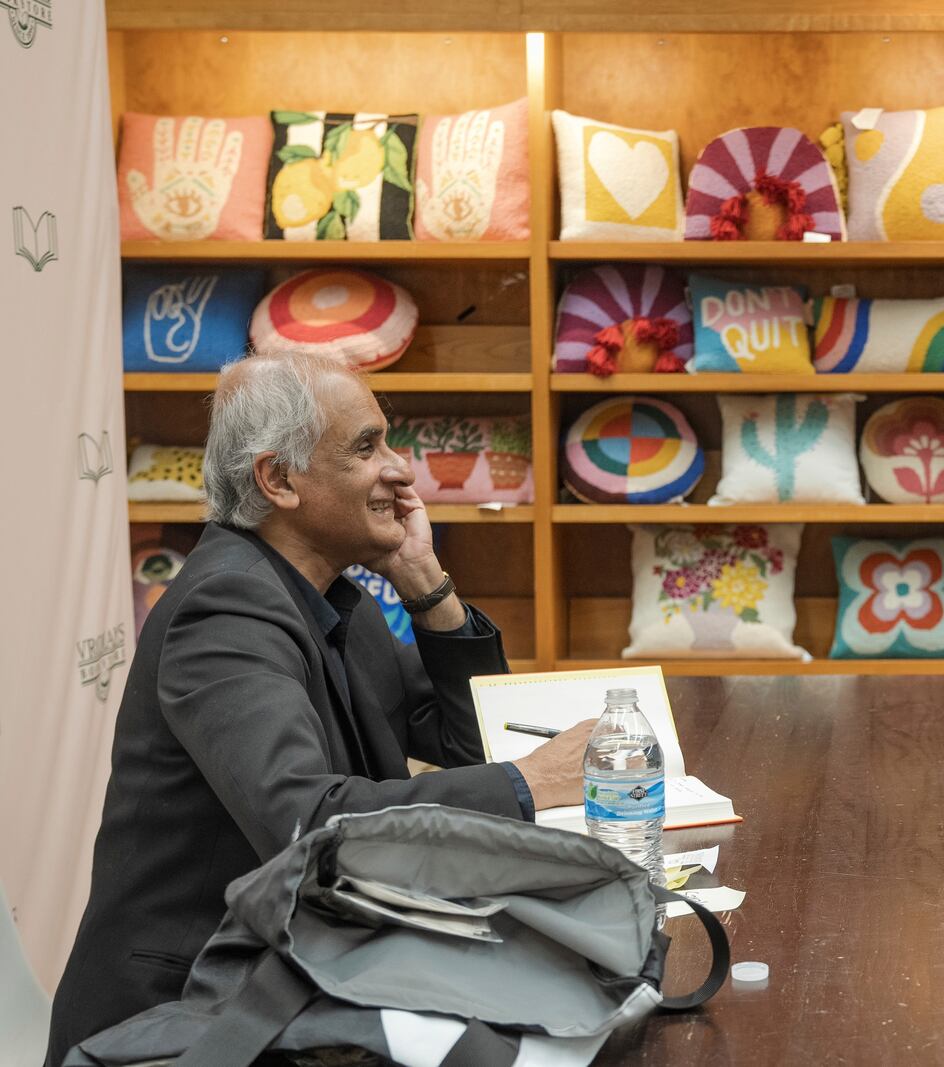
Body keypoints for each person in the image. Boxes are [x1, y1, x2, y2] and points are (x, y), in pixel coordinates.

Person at [47, 352, 597, 1064]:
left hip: (296, 981)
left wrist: (427, 588)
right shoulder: (223, 609)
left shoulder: (335, 595)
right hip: (182, 1019)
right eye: (367, 447)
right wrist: (530, 783)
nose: (401, 471)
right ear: (279, 479)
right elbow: (310, 823)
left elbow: (471, 744)